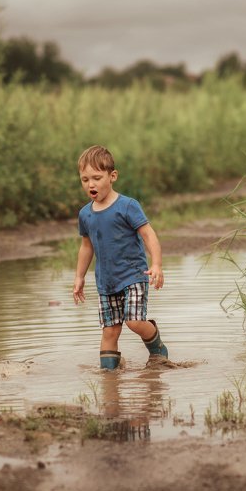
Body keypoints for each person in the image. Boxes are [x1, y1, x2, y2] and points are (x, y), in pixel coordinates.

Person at [72, 145, 169, 370]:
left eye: (97, 178)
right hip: (106, 281)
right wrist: (79, 277)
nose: (91, 184)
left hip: (134, 275)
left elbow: (148, 234)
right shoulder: (85, 214)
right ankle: (109, 377)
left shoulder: (127, 206)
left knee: (134, 322)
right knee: (110, 330)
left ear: (112, 176)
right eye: (85, 179)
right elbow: (86, 247)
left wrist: (156, 264)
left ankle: (157, 348)